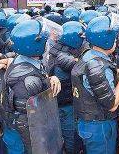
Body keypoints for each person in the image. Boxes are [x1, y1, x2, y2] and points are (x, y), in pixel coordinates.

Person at [71, 16, 119, 154]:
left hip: (87, 123)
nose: (117, 40)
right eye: (114, 37)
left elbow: (90, 79)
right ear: (106, 40)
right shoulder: (98, 66)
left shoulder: (88, 55)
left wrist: (116, 72)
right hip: (99, 127)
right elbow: (112, 105)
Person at [2, 19, 62, 154]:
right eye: (44, 41)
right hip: (25, 135)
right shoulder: (26, 78)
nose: (47, 44)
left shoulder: (27, 60)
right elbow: (30, 116)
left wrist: (51, 78)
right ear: (33, 45)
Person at [46, 21, 88, 153]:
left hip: (61, 103)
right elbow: (81, 66)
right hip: (66, 104)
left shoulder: (58, 48)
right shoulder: (63, 56)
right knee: (71, 137)